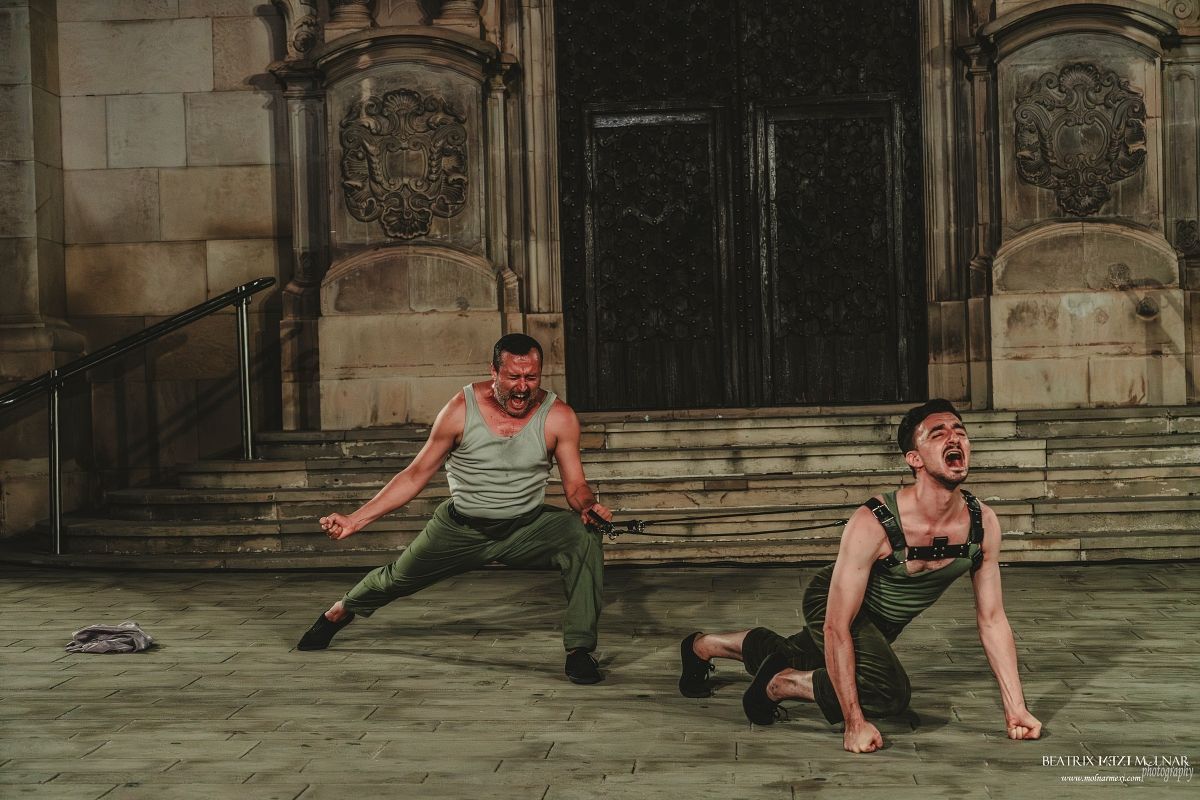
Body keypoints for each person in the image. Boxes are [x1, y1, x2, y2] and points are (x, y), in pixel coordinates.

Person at [676, 399, 1042, 751]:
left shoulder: (982, 524)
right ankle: (781, 683)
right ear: (914, 458)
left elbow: (992, 620)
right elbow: (836, 627)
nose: (954, 437)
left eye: (959, 431)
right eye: (937, 433)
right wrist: (854, 723)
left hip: (881, 623)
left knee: (797, 655)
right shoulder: (875, 521)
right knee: (886, 691)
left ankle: (704, 647)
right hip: (834, 603)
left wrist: (1016, 708)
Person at [296, 333, 612, 684]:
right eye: (513, 377)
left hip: (526, 527)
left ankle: (579, 650)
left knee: (584, 535)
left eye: (531, 377)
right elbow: (415, 474)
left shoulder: (559, 416)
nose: (523, 387)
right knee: (397, 578)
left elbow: (576, 486)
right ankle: (340, 611)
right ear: (493, 371)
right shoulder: (460, 410)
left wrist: (588, 507)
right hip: (461, 528)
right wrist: (356, 520)